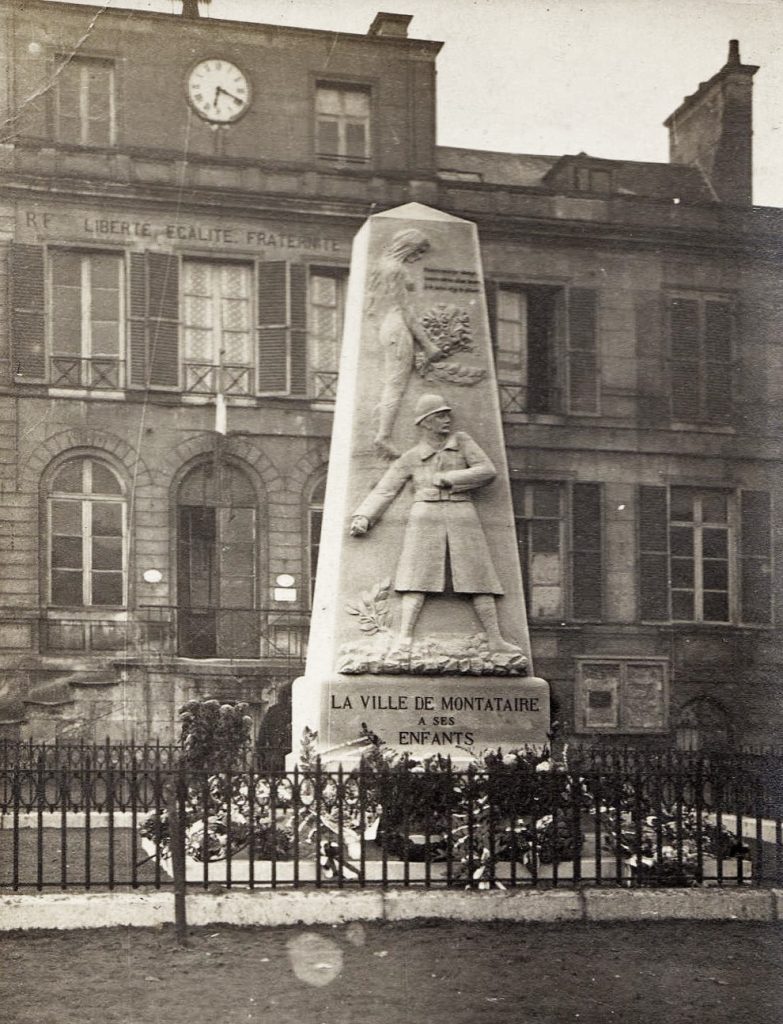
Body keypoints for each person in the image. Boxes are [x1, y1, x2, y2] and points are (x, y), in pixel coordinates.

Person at [350, 393, 522, 657]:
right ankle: (405, 638)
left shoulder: (462, 442)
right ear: (425, 422)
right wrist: (364, 516)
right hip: (425, 515)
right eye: (440, 416)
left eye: (447, 414)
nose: (447, 420)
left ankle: (496, 639)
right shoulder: (411, 456)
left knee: (479, 577)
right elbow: (386, 489)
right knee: (416, 578)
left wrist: (449, 478)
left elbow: (487, 471)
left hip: (462, 512)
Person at [367, 229, 445, 459]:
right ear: (408, 246)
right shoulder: (396, 269)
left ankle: (381, 428)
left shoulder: (382, 264)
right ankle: (383, 435)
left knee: (392, 383)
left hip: (387, 327)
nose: (420, 257)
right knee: (395, 385)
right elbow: (406, 311)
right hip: (398, 327)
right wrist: (428, 344)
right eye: (419, 251)